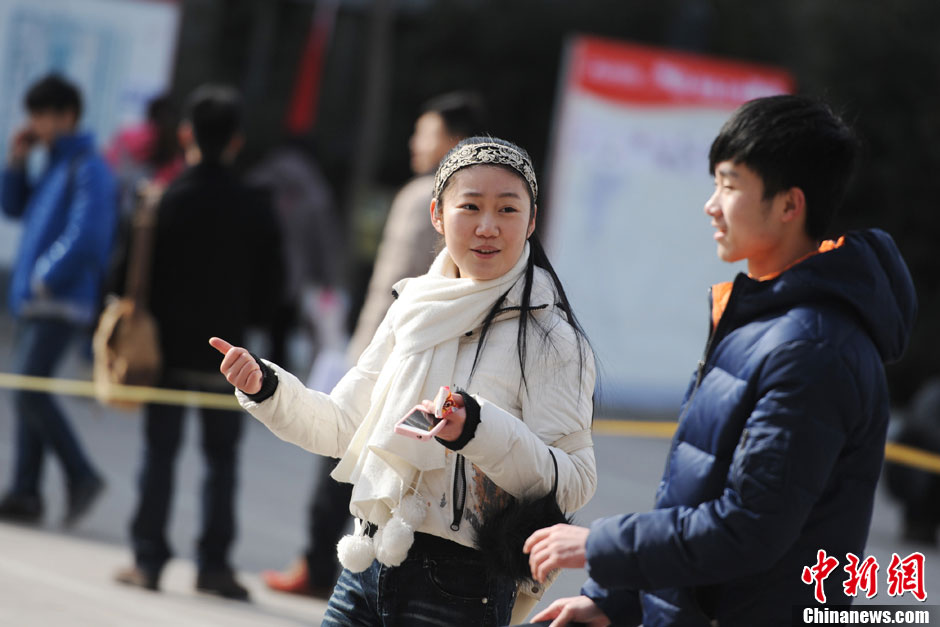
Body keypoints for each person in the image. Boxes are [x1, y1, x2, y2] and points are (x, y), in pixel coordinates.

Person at [525, 95, 918, 627]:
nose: (711, 204)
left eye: (730, 186)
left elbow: (749, 528)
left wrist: (600, 544)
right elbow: (697, 492)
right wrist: (614, 600)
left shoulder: (812, 348)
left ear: (788, 205)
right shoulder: (765, 320)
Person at [212, 136, 597, 626]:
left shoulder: (550, 338)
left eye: (506, 209)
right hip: (366, 561)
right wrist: (266, 388)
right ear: (437, 214)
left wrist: (477, 429)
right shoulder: (412, 310)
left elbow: (574, 482)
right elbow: (342, 425)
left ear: (532, 221)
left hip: (463, 584)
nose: (487, 226)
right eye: (470, 206)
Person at [262, 91, 488, 599]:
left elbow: (393, 286)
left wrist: (360, 353)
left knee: (341, 456)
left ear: (451, 139)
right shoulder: (471, 200)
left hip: (387, 356)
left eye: (424, 132)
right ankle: (352, 569)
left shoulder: (426, 197)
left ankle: (321, 564)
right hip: (429, 361)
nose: (415, 142)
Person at [113, 85, 283, 601]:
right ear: (236, 140)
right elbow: (272, 289)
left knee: (159, 454)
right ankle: (213, 565)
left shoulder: (164, 198)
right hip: (229, 357)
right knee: (222, 460)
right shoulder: (255, 204)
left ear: (186, 135)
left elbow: (126, 276)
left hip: (162, 353)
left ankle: (148, 560)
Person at [0, 73, 116, 526]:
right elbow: (12, 206)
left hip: (60, 302)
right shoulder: (52, 162)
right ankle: (25, 493)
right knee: (29, 391)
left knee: (30, 391)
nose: (37, 124)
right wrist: (16, 162)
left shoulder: (89, 166)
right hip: (36, 300)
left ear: (67, 116)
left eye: (43, 116)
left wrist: (47, 278)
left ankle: (81, 475)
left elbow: (89, 235)